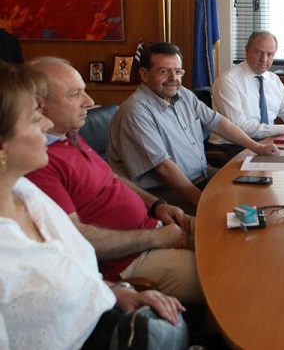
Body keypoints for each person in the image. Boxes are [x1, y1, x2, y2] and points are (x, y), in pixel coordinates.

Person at [0, 61, 183, 349]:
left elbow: (72, 267)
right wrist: (158, 238)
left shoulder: (26, 194)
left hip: (107, 309)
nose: (46, 125)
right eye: (35, 118)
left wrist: (119, 291)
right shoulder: (35, 180)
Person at [25, 56, 202, 303]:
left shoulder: (70, 135)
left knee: (233, 236)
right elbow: (75, 239)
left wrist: (156, 205)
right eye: (75, 94)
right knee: (230, 273)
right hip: (131, 260)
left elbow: (112, 178)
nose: (90, 101)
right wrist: (159, 238)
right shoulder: (36, 162)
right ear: (38, 105)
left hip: (156, 225)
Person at [108, 42, 280, 211]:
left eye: (177, 71)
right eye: (164, 71)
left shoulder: (183, 94)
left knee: (254, 191)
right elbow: (164, 168)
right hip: (163, 192)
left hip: (200, 176)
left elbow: (217, 122)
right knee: (229, 211)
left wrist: (258, 148)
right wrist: (202, 202)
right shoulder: (136, 112)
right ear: (144, 74)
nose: (173, 78)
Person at [209, 31, 284, 152]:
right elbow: (238, 126)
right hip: (233, 146)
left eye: (270, 54)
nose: (264, 59)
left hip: (266, 142)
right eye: (258, 53)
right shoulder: (228, 81)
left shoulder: (273, 79)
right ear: (247, 50)